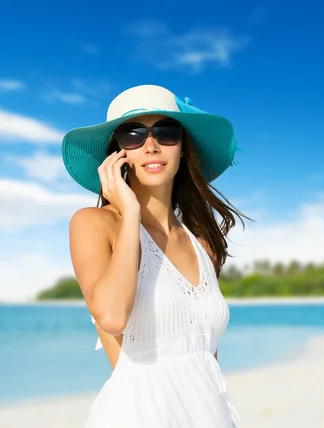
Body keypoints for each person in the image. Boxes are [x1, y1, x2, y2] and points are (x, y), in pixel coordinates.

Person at [62, 84, 250, 427]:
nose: (151, 145)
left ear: (182, 148)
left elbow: (207, 355)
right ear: (117, 155)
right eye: (132, 135)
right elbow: (112, 317)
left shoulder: (200, 242)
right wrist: (130, 213)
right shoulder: (94, 224)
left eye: (166, 132)